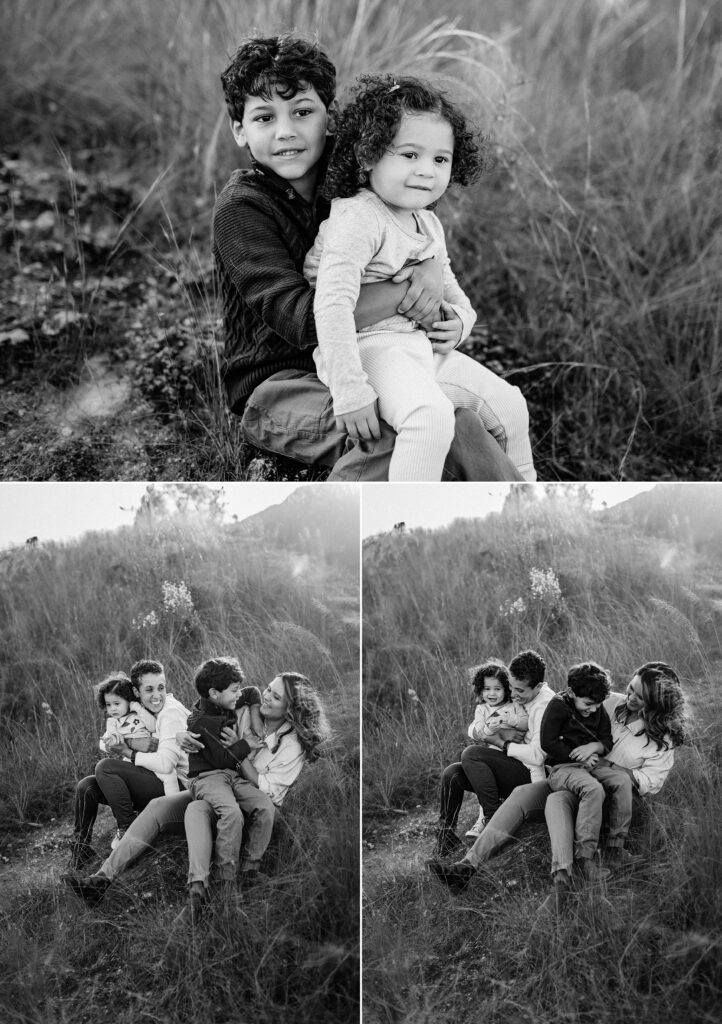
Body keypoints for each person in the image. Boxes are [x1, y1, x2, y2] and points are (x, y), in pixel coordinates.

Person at [214, 33, 522, 483]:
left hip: (369, 352)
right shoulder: (242, 210)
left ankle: (517, 512)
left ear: (330, 116)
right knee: (387, 432)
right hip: (280, 382)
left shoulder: (354, 169)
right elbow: (303, 321)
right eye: (264, 117)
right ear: (240, 130)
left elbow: (413, 224)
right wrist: (410, 287)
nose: (286, 131)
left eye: (303, 111)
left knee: (456, 420)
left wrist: (432, 268)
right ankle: (360, 532)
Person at [304, 74, 536, 481]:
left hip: (418, 350)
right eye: (409, 155)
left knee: (510, 405)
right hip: (367, 349)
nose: (426, 171)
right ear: (369, 154)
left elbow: (456, 297)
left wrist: (460, 324)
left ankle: (524, 503)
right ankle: (405, 517)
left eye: (439, 159)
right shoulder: (359, 216)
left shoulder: (428, 224)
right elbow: (331, 304)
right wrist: (350, 390)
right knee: (429, 417)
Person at [63, 672, 331, 923]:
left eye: (276, 696)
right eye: (268, 689)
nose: (266, 696)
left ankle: (198, 895)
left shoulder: (292, 744)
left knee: (197, 810)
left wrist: (235, 753)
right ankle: (101, 880)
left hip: (244, 808)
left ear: (291, 709)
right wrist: (184, 736)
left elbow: (268, 791)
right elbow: (206, 721)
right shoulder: (245, 712)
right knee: (158, 806)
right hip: (214, 783)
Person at [428, 662, 687, 899]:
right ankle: (465, 868)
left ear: (656, 704)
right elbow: (568, 704)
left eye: (640, 697)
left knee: (558, 799)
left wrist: (606, 763)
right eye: (631, 689)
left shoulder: (662, 741)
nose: (630, 697)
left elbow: (651, 783)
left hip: (602, 795)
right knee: (521, 793)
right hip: (571, 772)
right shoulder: (609, 701)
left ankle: (566, 877)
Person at [68, 659, 189, 869]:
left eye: (161, 687)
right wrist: (132, 742)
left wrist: (127, 751)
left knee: (105, 767)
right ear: (136, 692)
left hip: (178, 787)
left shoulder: (169, 712)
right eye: (149, 689)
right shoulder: (140, 708)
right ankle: (80, 849)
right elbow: (104, 740)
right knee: (86, 787)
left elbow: (166, 764)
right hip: (153, 777)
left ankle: (129, 830)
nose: (157, 695)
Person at [433, 649, 553, 858]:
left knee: (471, 754)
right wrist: (492, 735)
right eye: (512, 688)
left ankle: (493, 820)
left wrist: (500, 740)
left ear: (537, 687)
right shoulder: (517, 698)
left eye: (518, 690)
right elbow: (475, 728)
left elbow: (537, 756)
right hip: (508, 764)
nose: (514, 694)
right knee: (452, 774)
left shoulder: (541, 705)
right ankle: (446, 837)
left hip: (530, 773)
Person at [185, 657, 266, 888]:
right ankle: (226, 879)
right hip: (208, 777)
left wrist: (255, 714)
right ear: (214, 693)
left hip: (232, 774)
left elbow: (252, 693)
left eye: (237, 688)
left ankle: (251, 867)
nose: (238, 694)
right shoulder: (201, 722)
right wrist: (246, 744)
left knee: (265, 806)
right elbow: (220, 758)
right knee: (232, 813)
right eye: (233, 690)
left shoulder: (225, 701)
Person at [540, 661, 617, 882]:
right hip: (561, 768)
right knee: (593, 789)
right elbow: (548, 742)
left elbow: (606, 739)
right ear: (572, 692)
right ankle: (585, 858)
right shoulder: (558, 706)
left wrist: (593, 747)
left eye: (598, 705)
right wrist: (577, 754)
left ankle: (616, 845)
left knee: (620, 779)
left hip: (590, 765)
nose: (593, 709)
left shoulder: (597, 707)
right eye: (588, 704)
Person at [464, 660, 528, 840]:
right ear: (480, 690)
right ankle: (482, 818)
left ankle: (493, 819)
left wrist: (499, 727)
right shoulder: (481, 709)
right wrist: (498, 729)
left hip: (515, 760)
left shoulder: (514, 705)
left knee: (472, 754)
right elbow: (479, 731)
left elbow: (523, 726)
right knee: (471, 773)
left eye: (497, 689)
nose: (491, 693)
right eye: (486, 689)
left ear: (506, 689)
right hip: (494, 756)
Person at [96, 671, 178, 798]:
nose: (112, 709)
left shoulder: (139, 714)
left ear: (129, 700)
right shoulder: (113, 723)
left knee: (170, 775)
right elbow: (105, 741)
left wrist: (139, 709)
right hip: (132, 759)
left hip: (153, 757)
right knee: (123, 780)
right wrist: (111, 740)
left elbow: (153, 726)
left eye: (117, 704)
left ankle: (175, 803)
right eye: (108, 705)